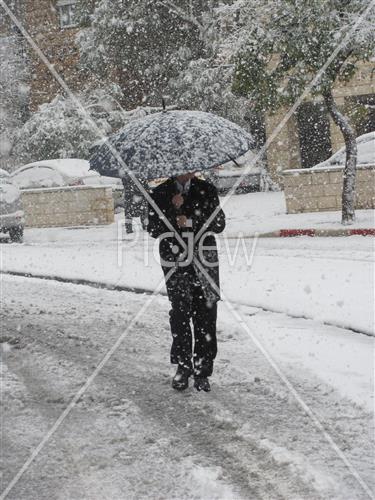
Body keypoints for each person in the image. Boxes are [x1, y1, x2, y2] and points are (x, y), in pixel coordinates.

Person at [147, 172, 225, 392]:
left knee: (206, 313)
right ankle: (183, 367)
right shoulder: (160, 192)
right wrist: (172, 213)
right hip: (175, 260)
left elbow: (219, 223)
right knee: (180, 313)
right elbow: (152, 228)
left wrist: (190, 219)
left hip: (204, 259)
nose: (186, 171)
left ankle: (203, 370)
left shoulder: (206, 189)